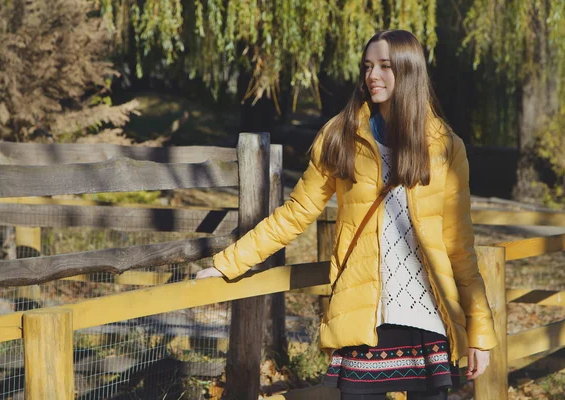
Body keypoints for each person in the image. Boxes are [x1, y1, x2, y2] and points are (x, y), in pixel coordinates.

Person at [196, 29, 497, 400]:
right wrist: (229, 263)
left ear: (409, 71)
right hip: (363, 314)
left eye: (385, 66)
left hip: (429, 319)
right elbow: (295, 213)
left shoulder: (445, 147)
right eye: (368, 66)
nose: (373, 75)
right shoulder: (339, 138)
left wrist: (479, 333)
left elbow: (459, 247)